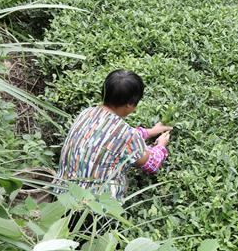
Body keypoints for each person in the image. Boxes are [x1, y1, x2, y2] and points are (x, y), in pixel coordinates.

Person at [56, 70, 172, 200]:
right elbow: (151, 163)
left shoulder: (87, 113)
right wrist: (161, 145)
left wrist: (149, 132)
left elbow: (109, 136)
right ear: (130, 104)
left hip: (62, 193)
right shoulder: (127, 135)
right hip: (92, 204)